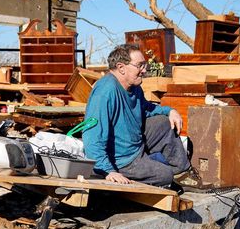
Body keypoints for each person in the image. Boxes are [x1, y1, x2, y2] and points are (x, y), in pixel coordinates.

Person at [82, 44, 207, 189]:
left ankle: (182, 174)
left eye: (144, 65)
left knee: (163, 122)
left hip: (135, 145)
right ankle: (131, 178)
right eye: (140, 65)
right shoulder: (105, 91)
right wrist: (108, 171)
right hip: (121, 160)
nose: (144, 70)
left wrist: (169, 111)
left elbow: (146, 109)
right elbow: (92, 138)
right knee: (165, 174)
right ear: (121, 68)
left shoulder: (135, 88)